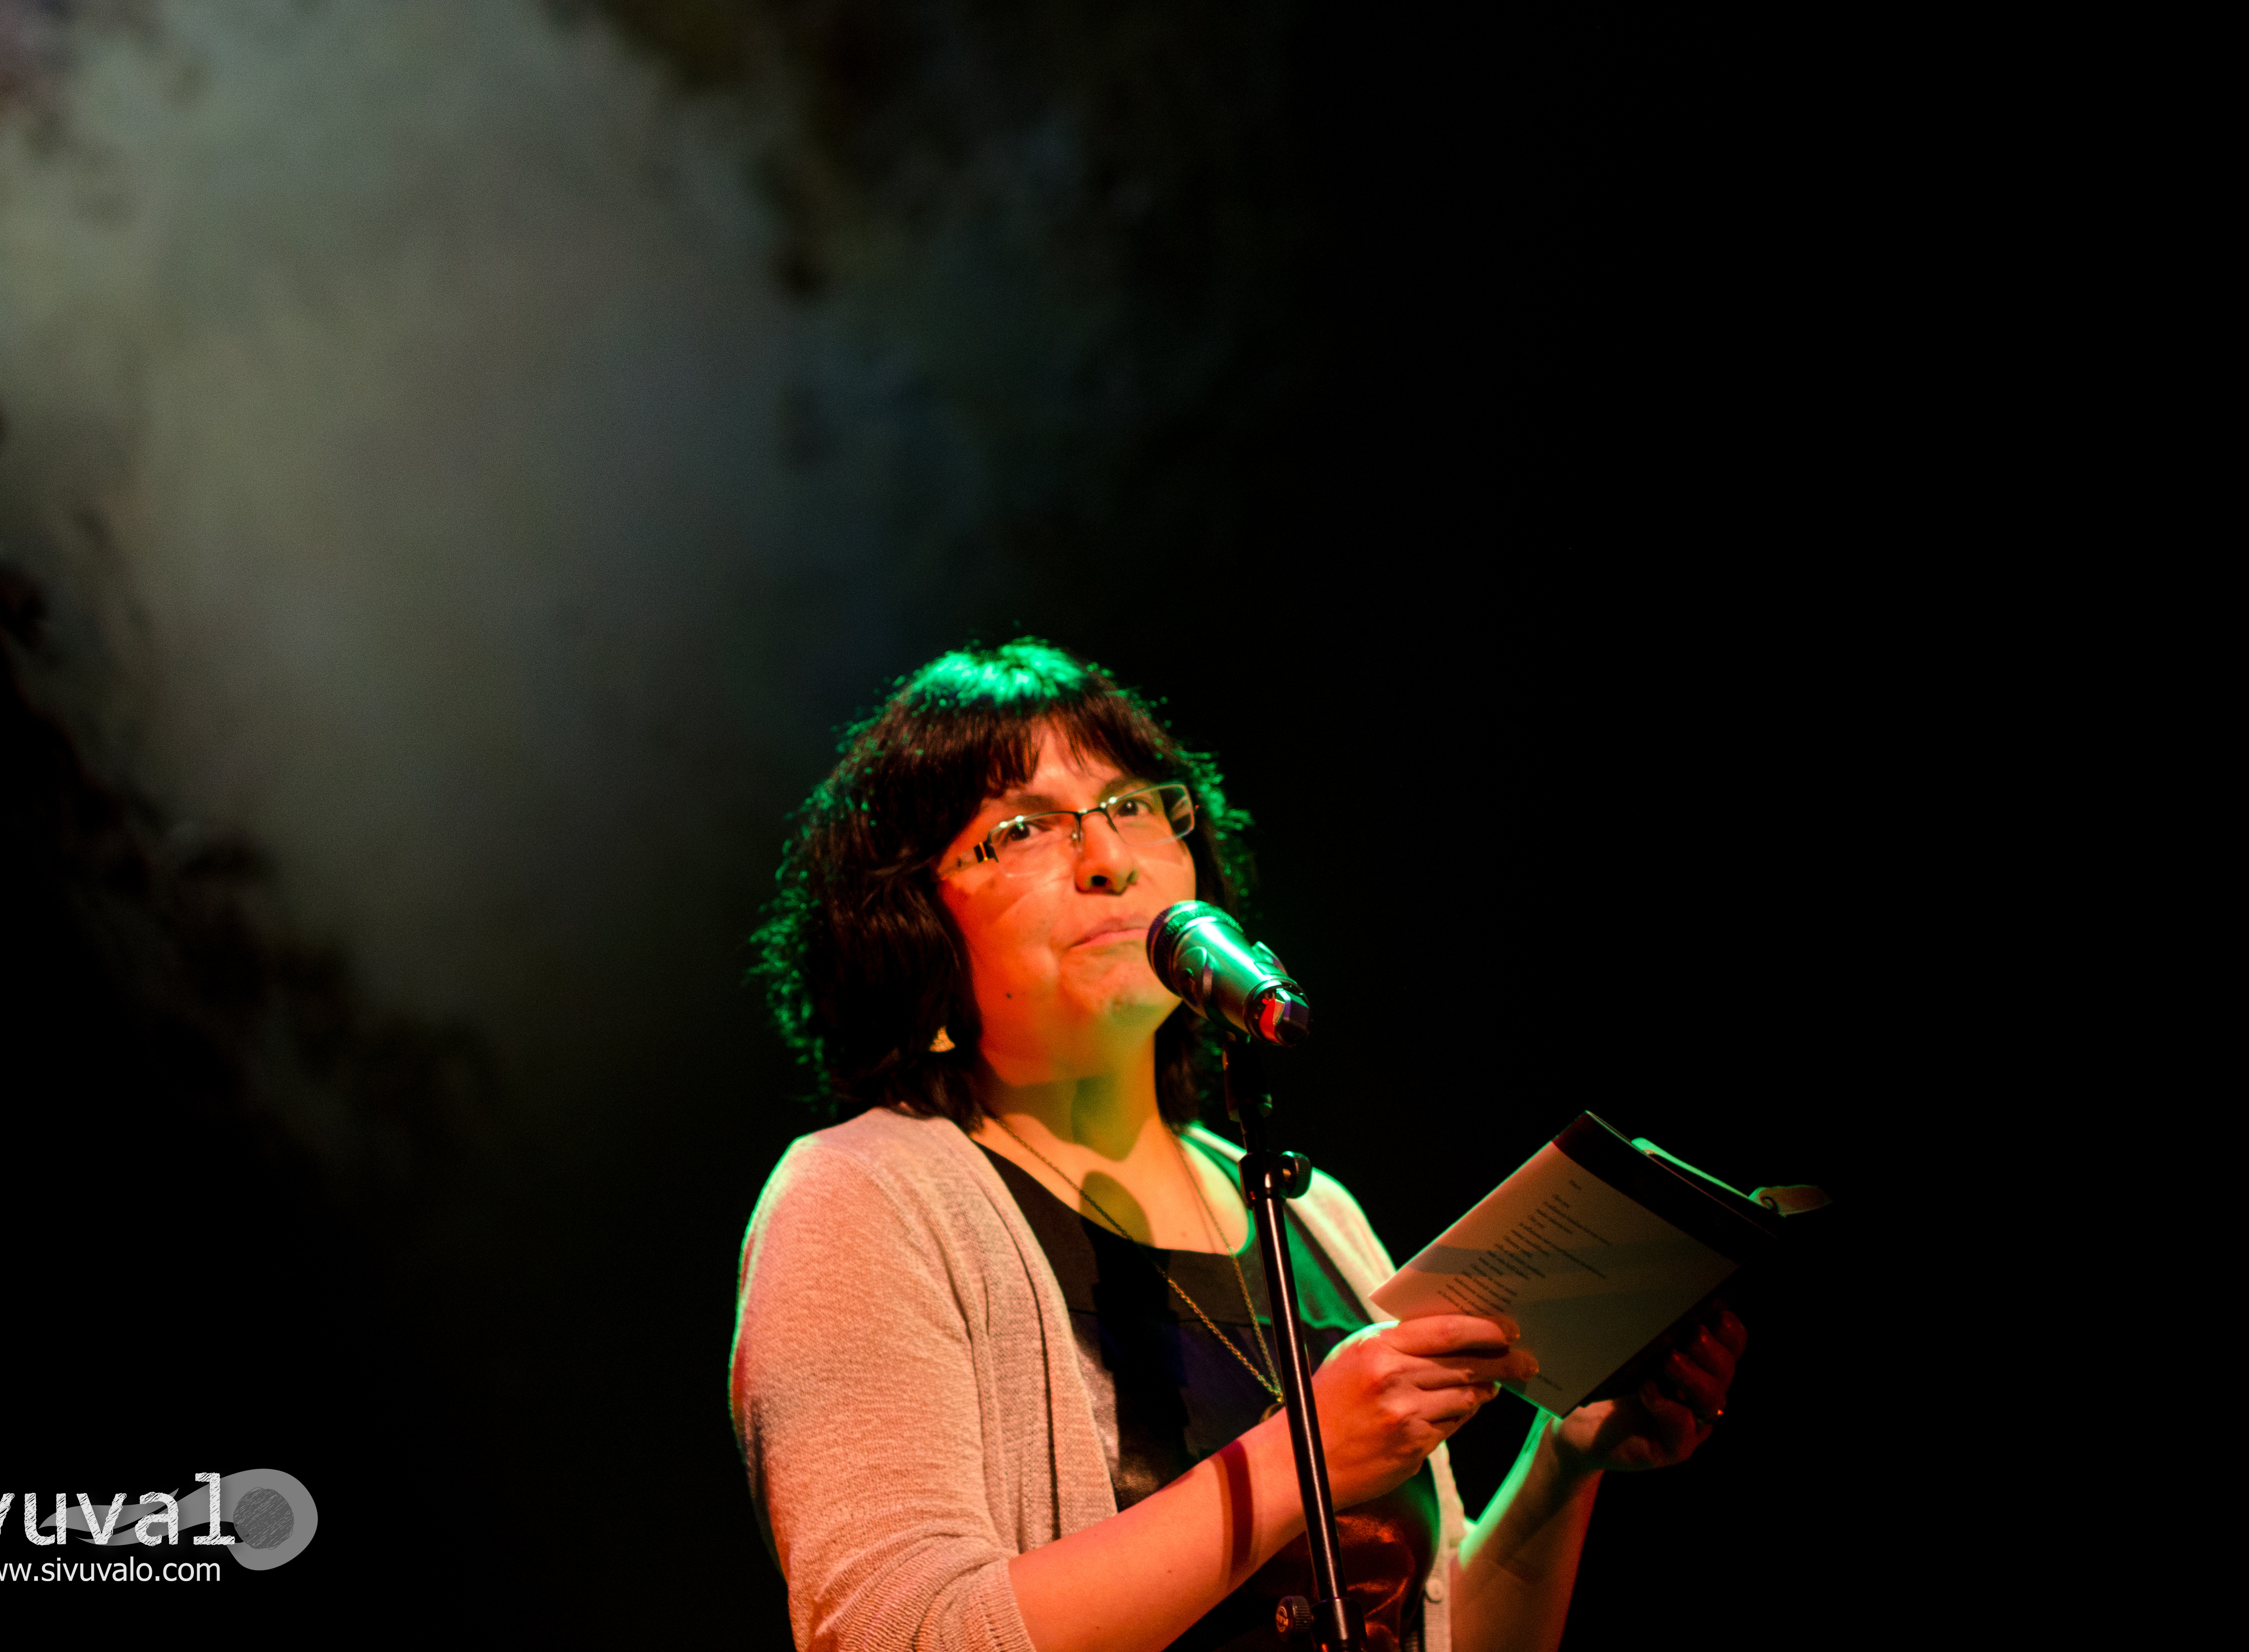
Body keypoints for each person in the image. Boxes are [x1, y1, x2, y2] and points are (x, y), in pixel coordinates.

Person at [734, 640, 1742, 1652]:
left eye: (1134, 806)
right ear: (911, 925)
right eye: (1026, 827)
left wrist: (1562, 1468)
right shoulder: (860, 1196)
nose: (1108, 858)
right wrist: (1301, 1460)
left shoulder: (1315, 1215)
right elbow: (895, 1632)